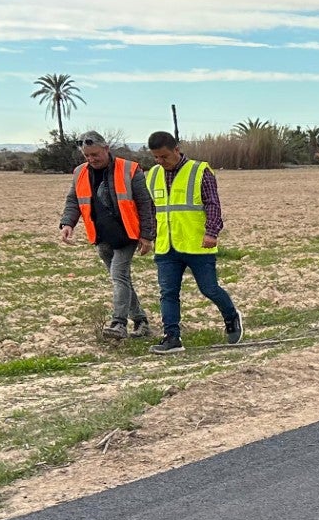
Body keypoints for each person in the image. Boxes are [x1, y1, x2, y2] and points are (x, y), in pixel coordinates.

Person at [144, 131, 242, 354]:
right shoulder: (152, 175)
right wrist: (148, 236)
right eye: (156, 158)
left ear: (176, 150)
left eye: (164, 157)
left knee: (209, 289)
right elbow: (151, 210)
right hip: (166, 246)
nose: (160, 162)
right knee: (168, 292)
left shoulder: (200, 171)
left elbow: (212, 204)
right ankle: (172, 337)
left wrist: (212, 232)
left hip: (197, 243)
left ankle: (231, 317)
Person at [58, 130, 156, 340]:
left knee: (118, 275)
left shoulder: (129, 169)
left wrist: (147, 236)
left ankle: (118, 323)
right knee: (122, 280)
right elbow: (73, 201)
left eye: (95, 154)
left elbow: (145, 204)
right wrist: (67, 223)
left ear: (106, 148)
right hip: (101, 236)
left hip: (127, 234)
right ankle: (141, 321)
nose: (91, 159)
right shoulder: (79, 172)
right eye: (87, 156)